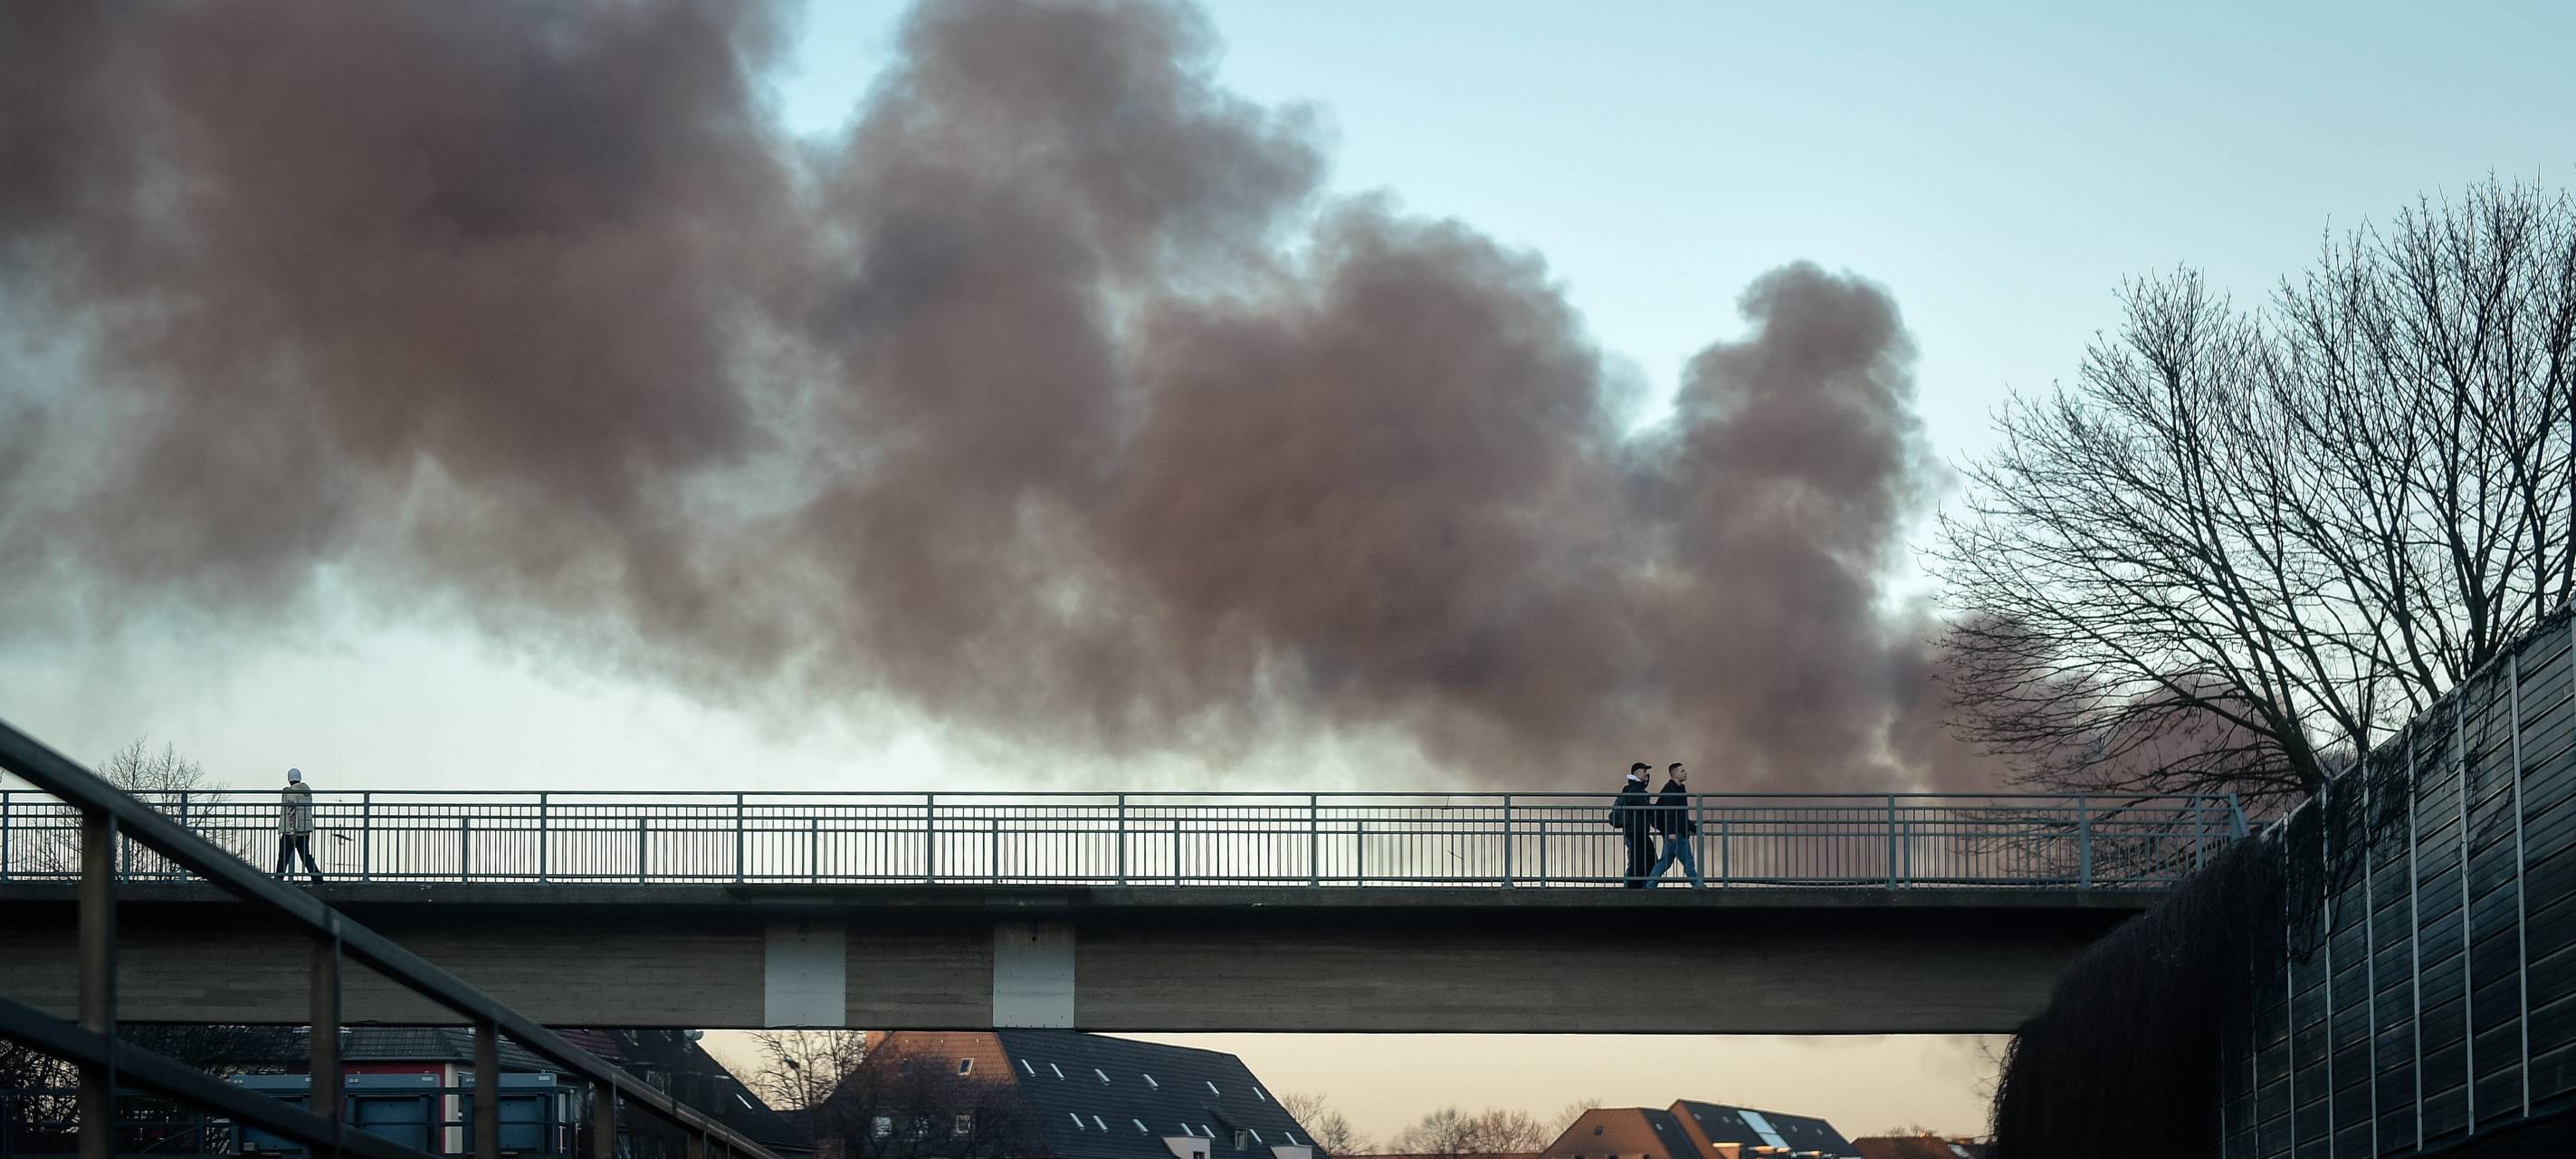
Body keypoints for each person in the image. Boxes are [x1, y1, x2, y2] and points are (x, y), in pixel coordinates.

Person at [1645, 761, 1704, 888]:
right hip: (1675, 833)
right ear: (1675, 774)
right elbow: (1670, 812)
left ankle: (1650, 884)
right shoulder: (1672, 790)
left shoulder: (1677, 789)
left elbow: (1681, 815)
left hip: (1672, 833)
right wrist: (1672, 831)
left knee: (1664, 862)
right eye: (1682, 771)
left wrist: (1694, 829)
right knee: (1688, 861)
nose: (1685, 772)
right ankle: (1697, 884)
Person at [1610, 761, 1656, 887]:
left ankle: (1637, 887)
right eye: (1644, 771)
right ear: (1636, 773)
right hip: (1636, 831)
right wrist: (1658, 810)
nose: (1647, 774)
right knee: (1640, 861)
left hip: (1635, 831)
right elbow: (1644, 808)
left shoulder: (1634, 788)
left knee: (1641, 860)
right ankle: (1633, 889)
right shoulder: (1635, 789)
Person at [276, 767, 320, 884]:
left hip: (292, 830)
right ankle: (318, 879)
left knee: (283, 856)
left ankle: (277, 881)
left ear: (289, 779)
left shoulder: (291, 792)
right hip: (305, 830)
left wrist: (291, 832)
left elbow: (291, 812)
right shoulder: (306, 792)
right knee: (306, 856)